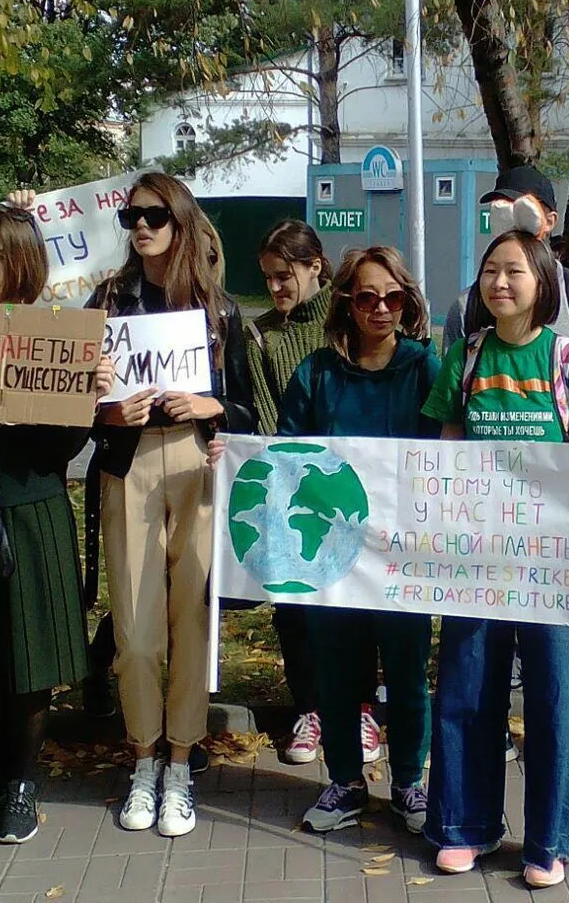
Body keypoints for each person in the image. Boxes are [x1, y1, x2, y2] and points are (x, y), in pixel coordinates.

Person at [423, 230, 569, 889]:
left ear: (541, 283)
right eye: (489, 271)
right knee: (466, 686)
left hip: (555, 563)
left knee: (558, 693)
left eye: (513, 271)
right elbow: (447, 448)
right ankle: (462, 826)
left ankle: (550, 840)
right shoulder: (467, 356)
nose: (498, 282)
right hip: (477, 558)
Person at [0, 203, 114, 844]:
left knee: (29, 659)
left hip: (30, 512)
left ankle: (24, 783)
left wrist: (83, 398)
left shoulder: (58, 334)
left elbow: (59, 454)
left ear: (23, 262)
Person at [442, 165, 569, 794]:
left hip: (560, 519)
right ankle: (485, 757)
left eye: (520, 210)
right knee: (481, 655)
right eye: (494, 210)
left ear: (549, 220)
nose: (508, 223)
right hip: (486, 524)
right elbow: (453, 420)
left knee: (564, 649)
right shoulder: (466, 310)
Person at [86, 172, 255, 838]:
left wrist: (214, 406)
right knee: (134, 630)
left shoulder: (216, 308)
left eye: (155, 214)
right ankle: (143, 756)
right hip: (128, 464)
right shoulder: (106, 300)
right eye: (132, 215)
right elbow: (73, 404)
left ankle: (180, 762)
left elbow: (244, 406)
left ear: (181, 220)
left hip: (196, 464)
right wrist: (103, 402)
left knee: (192, 619)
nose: (142, 225)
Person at [267, 246, 440, 833]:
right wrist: (235, 457)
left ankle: (410, 784)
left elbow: (450, 449)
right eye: (368, 297)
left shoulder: (424, 368)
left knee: (409, 670)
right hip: (333, 553)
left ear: (407, 301)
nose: (381, 309)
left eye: (393, 298)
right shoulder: (315, 373)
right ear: (345, 301)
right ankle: (344, 782)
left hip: (402, 552)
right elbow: (286, 456)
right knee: (337, 673)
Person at [242, 220, 383, 767]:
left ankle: (362, 706)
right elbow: (267, 411)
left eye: (285, 275)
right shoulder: (260, 335)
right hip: (291, 482)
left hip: (349, 484)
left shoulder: (344, 323)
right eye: (268, 277)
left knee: (357, 599)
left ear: (314, 267)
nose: (277, 287)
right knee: (295, 603)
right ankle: (311, 708)